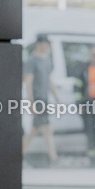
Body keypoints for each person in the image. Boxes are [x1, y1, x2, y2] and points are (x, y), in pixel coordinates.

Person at [22, 34, 59, 164]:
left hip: (44, 99)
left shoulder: (47, 61)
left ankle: (52, 158)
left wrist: (57, 98)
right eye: (43, 44)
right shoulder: (31, 61)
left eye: (47, 45)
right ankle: (53, 158)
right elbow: (28, 83)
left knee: (39, 130)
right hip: (37, 99)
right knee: (42, 129)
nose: (45, 47)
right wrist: (31, 102)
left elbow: (50, 81)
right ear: (38, 44)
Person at [74, 45, 95, 161]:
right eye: (94, 55)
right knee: (89, 129)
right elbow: (77, 89)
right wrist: (79, 105)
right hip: (88, 103)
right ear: (90, 56)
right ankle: (92, 156)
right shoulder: (83, 71)